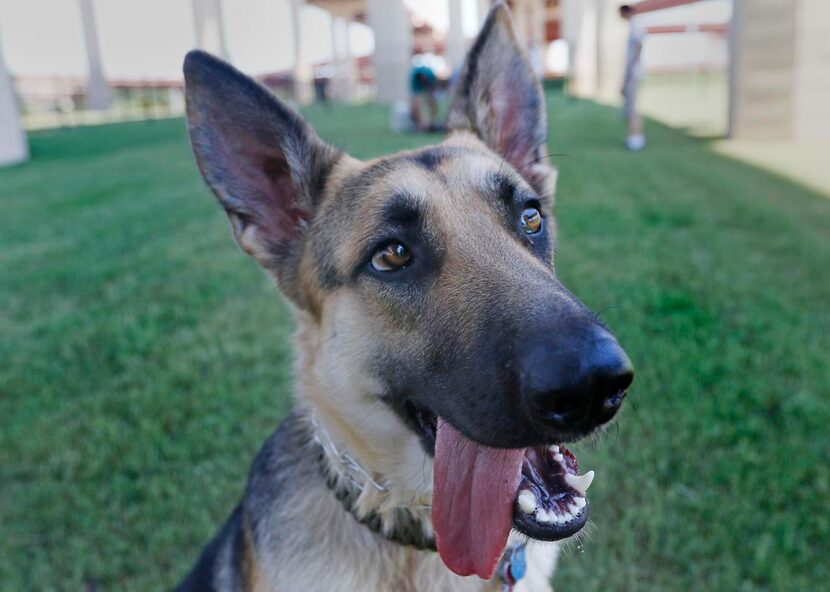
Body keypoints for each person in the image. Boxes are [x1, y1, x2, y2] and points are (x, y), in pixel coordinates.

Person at [620, 4, 646, 151]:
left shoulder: (635, 26)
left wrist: (629, 71)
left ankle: (635, 137)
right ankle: (635, 135)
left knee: (632, 106)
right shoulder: (634, 26)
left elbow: (638, 47)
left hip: (634, 73)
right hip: (633, 72)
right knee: (631, 105)